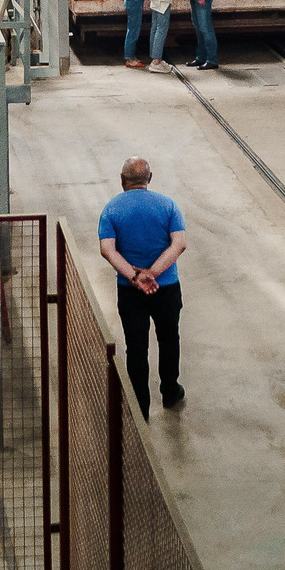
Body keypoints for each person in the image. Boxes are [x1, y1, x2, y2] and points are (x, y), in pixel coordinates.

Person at [98, 156, 188, 416]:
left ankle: (140, 407)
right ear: (149, 178)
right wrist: (155, 273)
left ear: (122, 180)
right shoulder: (168, 205)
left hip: (130, 291)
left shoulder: (111, 209)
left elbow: (107, 249)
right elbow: (178, 243)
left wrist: (135, 277)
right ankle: (170, 391)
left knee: (136, 346)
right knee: (169, 339)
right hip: (166, 287)